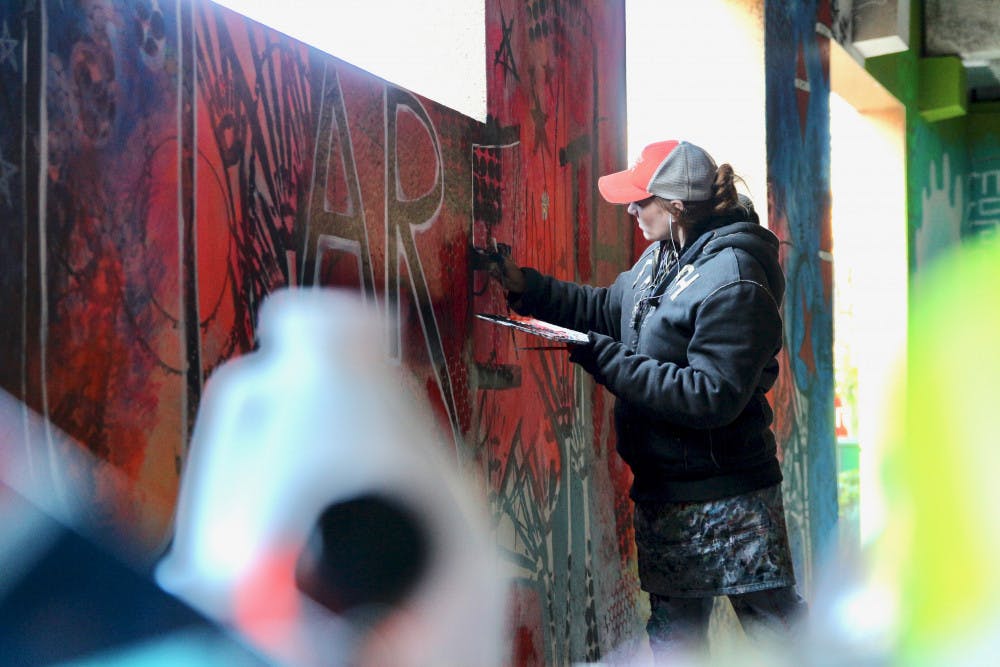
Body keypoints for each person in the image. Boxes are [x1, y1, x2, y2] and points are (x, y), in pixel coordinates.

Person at [488, 140, 806, 661]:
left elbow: (711, 396)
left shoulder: (736, 280)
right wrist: (530, 288)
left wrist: (607, 360)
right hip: (664, 494)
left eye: (642, 200)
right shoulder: (662, 259)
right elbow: (608, 309)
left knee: (780, 637)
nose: (632, 210)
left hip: (730, 499)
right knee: (675, 644)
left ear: (677, 205)